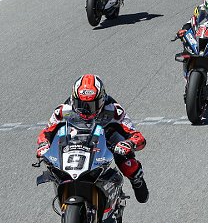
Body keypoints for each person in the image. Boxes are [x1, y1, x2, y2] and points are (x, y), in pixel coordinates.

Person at [36, 75, 149, 203]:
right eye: (81, 104)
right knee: (53, 166)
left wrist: (128, 143)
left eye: (92, 105)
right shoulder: (63, 110)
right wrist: (43, 144)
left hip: (107, 138)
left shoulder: (114, 110)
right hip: (76, 140)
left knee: (129, 165)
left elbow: (137, 136)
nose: (86, 109)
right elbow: (46, 132)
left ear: (102, 99)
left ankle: (136, 179)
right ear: (74, 99)